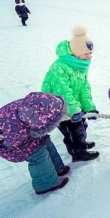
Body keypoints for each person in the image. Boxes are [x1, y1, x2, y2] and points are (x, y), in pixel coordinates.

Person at [0, 93, 70, 195]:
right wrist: (29, 136)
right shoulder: (18, 127)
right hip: (3, 142)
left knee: (46, 142)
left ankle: (56, 169)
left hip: (20, 131)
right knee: (38, 154)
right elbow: (11, 144)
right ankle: (46, 183)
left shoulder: (30, 107)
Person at [41, 25, 100, 162]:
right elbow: (63, 91)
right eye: (86, 53)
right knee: (72, 131)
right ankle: (78, 152)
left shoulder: (80, 64)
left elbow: (84, 87)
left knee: (81, 126)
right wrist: (74, 110)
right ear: (75, 52)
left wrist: (88, 107)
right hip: (60, 108)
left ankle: (81, 143)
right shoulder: (60, 67)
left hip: (75, 106)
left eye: (90, 53)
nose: (89, 56)